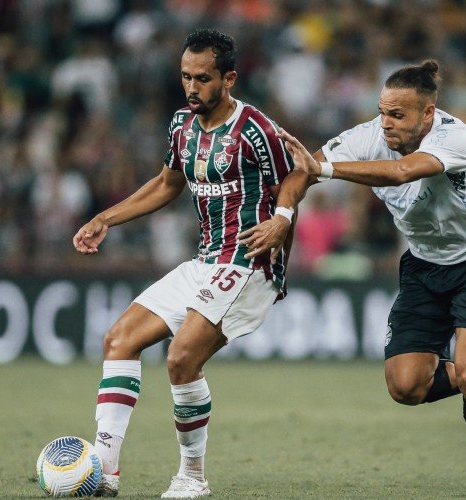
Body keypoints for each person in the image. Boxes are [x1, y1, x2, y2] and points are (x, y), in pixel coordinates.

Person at [241, 60, 466, 499]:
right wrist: (283, 216)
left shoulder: (457, 139)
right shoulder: (367, 137)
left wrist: (328, 171)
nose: (386, 123)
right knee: (406, 386)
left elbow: (402, 171)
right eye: (382, 112)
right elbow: (301, 172)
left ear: (427, 113)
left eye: (398, 115)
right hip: (423, 266)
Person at [73, 29, 305, 498]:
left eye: (202, 79)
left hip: (249, 262)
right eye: (185, 77)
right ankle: (105, 471)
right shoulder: (182, 124)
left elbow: (299, 172)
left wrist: (281, 224)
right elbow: (166, 184)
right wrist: (105, 218)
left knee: (180, 357)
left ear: (229, 78)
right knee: (119, 340)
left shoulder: (256, 128)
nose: (191, 87)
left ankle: (192, 477)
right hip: (205, 260)